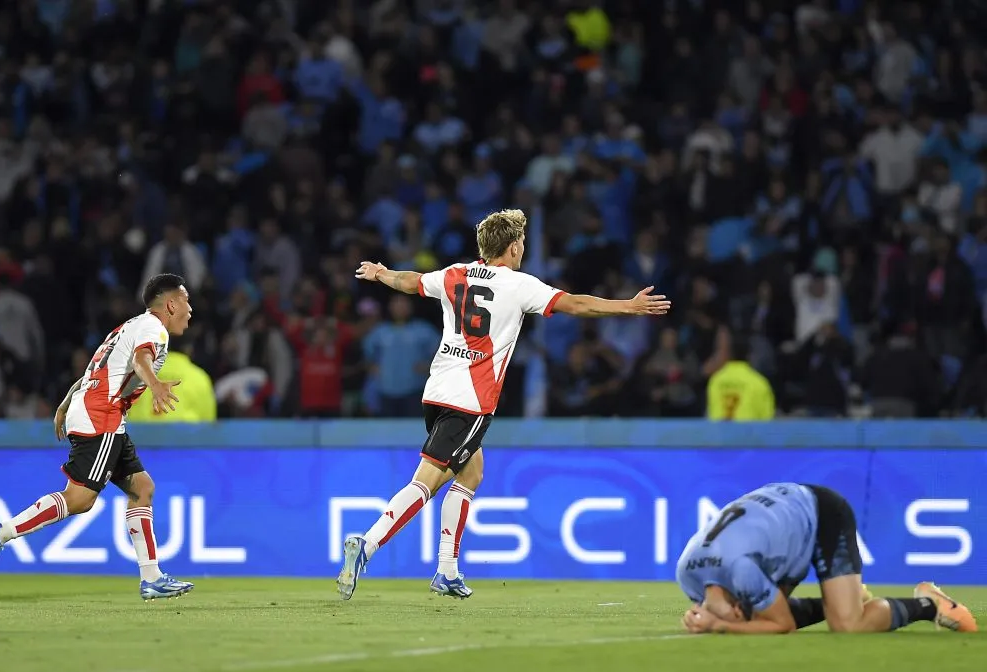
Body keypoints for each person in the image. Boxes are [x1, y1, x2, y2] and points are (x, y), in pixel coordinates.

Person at [339, 208, 672, 600]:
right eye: (523, 244)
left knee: (472, 471)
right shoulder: (517, 284)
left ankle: (447, 571)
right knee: (427, 479)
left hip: (437, 389)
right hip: (472, 398)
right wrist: (627, 307)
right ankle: (369, 544)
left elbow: (411, 282)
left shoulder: (454, 274)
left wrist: (381, 274)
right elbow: (576, 305)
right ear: (513, 247)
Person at [0, 274, 197, 601]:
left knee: (142, 488)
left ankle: (152, 579)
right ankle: (2, 532)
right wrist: (155, 385)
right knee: (80, 498)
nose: (190, 310)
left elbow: (94, 370)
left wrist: (66, 404)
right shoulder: (154, 328)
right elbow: (141, 360)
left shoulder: (127, 327)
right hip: (102, 415)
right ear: (170, 304)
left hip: (100, 411)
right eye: (186, 301)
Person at [676, 482, 977, 634]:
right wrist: (727, 620)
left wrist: (722, 626)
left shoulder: (742, 572)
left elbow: (783, 625)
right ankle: (846, 597)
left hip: (820, 514)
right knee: (758, 621)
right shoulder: (687, 575)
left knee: (847, 625)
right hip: (778, 528)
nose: (737, 615)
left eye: (736, 612)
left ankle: (930, 604)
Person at [706, 337, 775, 421]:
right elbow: (767, 419)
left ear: (729, 354)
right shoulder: (759, 382)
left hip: (721, 433)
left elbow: (711, 414)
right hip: (749, 433)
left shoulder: (715, 380)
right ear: (749, 355)